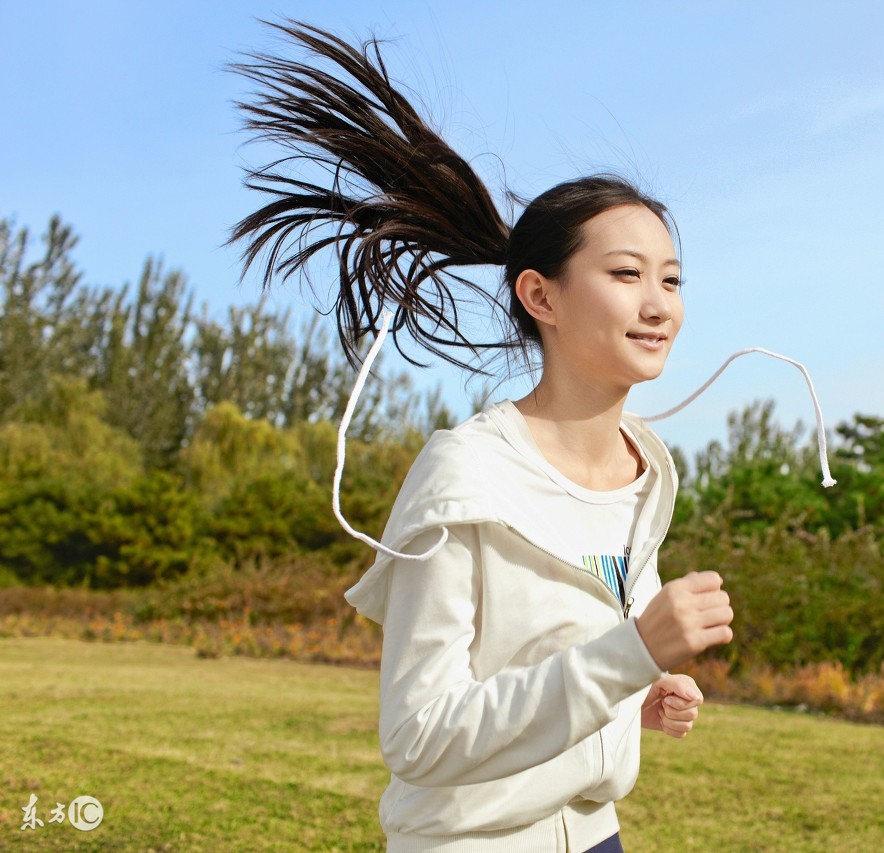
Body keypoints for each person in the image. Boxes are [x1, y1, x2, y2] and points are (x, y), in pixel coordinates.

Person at [228, 21, 734, 852]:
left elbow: (557, 662)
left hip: (598, 834)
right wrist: (631, 651)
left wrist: (635, 690)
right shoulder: (463, 473)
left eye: (672, 279)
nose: (659, 304)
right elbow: (419, 734)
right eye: (626, 273)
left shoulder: (644, 471)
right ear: (541, 295)